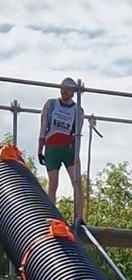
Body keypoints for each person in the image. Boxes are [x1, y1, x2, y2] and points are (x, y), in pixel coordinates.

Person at [38, 77, 84, 221]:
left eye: (68, 89)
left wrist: (77, 155)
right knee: (53, 182)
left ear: (73, 92)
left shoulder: (78, 110)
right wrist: (40, 149)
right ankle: (52, 215)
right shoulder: (51, 104)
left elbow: (78, 133)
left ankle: (78, 217)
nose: (64, 92)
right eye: (62, 88)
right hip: (52, 148)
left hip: (68, 149)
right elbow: (43, 126)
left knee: (77, 182)